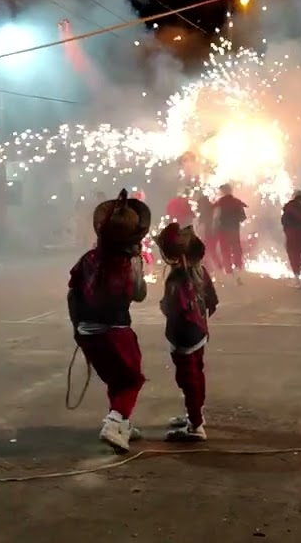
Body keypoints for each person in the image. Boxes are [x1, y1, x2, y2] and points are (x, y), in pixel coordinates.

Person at [68, 189, 151, 452]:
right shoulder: (128, 263)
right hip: (115, 331)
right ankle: (115, 422)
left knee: (116, 378)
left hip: (87, 331)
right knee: (131, 379)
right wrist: (138, 265)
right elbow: (139, 294)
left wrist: (77, 330)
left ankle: (123, 422)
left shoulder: (87, 259)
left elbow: (73, 294)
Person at [154, 223, 219, 442]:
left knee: (187, 379)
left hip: (184, 336)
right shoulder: (200, 271)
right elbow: (212, 300)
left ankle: (195, 426)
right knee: (197, 375)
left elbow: (172, 308)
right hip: (200, 332)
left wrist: (164, 305)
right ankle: (196, 415)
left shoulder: (177, 279)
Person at [213, 184, 248, 281]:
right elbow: (243, 217)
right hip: (234, 229)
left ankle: (228, 269)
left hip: (223, 230)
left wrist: (215, 227)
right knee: (236, 248)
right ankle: (238, 267)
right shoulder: (237, 202)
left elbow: (216, 217)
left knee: (225, 249)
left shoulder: (220, 203)